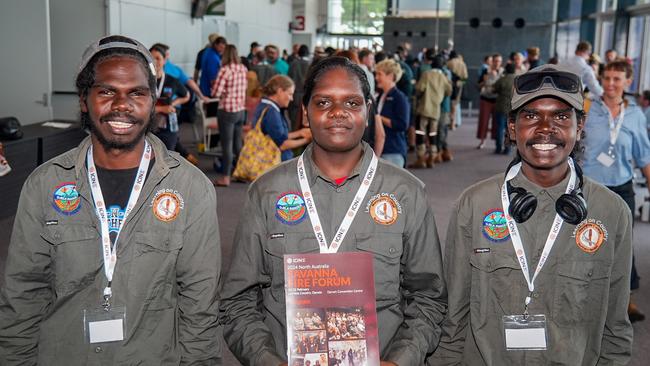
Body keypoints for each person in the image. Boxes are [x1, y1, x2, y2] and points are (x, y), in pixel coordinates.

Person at [0, 35, 221, 364]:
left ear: (152, 101)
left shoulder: (190, 188)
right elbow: (23, 293)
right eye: (106, 91)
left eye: (137, 93)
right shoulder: (45, 185)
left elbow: (200, 304)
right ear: (83, 100)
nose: (122, 105)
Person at [219, 56, 447, 366]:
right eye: (323, 102)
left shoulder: (405, 193)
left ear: (368, 110)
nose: (338, 112)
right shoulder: (267, 192)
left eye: (352, 103)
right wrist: (267, 361)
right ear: (305, 111)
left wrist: (398, 361)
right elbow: (238, 301)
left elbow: (429, 297)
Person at [430, 64, 633, 365]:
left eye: (561, 116)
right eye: (531, 115)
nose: (545, 128)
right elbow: (453, 316)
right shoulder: (474, 205)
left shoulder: (611, 211)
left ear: (579, 128)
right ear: (512, 129)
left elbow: (615, 328)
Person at [581, 60, 650, 322]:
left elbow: (644, 156)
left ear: (628, 82)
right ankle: (585, 296)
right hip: (589, 186)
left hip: (622, 187)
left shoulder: (635, 115)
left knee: (623, 244)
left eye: (616, 79)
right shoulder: (588, 108)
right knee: (587, 240)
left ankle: (626, 300)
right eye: (607, 78)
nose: (610, 84)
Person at [211, 44, 248, 187]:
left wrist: (221, 90)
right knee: (238, 143)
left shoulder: (225, 70)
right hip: (240, 110)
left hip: (227, 110)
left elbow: (216, 93)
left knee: (227, 144)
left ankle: (225, 177)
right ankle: (241, 173)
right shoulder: (243, 68)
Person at [253, 75, 311, 162]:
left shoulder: (265, 105)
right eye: (290, 94)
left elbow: (277, 136)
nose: (291, 99)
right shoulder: (272, 112)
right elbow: (282, 145)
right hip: (275, 162)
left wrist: (299, 133)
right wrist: (307, 139)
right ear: (280, 91)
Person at [412, 52, 452, 168]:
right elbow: (449, 91)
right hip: (436, 110)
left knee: (420, 132)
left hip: (424, 108)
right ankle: (432, 157)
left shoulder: (426, 74)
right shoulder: (444, 77)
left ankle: (421, 158)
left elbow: (420, 88)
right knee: (433, 134)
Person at [149, 45, 190, 151]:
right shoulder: (144, 81)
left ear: (164, 60)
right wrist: (162, 109)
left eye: (158, 58)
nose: (155, 61)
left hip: (168, 129)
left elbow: (186, 96)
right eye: (152, 58)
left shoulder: (172, 81)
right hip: (148, 128)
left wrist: (173, 104)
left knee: (168, 160)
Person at [375, 59, 410, 167]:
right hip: (381, 150)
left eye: (379, 74)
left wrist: (378, 118)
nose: (376, 78)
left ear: (390, 76)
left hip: (393, 151)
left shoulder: (400, 98)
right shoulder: (380, 96)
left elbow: (402, 124)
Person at [477, 53, 503, 149]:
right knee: (484, 121)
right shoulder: (485, 70)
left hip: (498, 100)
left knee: (497, 122)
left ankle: (497, 142)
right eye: (495, 61)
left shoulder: (503, 72)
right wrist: (487, 78)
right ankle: (482, 141)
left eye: (499, 61)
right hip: (486, 98)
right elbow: (478, 85)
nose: (497, 63)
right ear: (491, 62)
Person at [492, 63, 516, 154]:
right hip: (513, 108)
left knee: (499, 128)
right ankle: (508, 149)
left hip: (501, 107)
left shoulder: (502, 79)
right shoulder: (518, 80)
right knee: (509, 129)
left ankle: (498, 148)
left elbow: (493, 89)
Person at [200, 36, 227, 116]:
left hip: (204, 85)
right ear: (215, 44)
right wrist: (219, 92)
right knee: (212, 112)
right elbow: (213, 78)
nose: (222, 50)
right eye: (221, 47)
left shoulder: (208, 51)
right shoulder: (213, 58)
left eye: (224, 48)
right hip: (210, 89)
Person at [288, 45, 311, 129]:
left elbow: (289, 79)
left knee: (294, 119)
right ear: (308, 53)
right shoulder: (310, 64)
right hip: (307, 95)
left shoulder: (293, 63)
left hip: (294, 94)